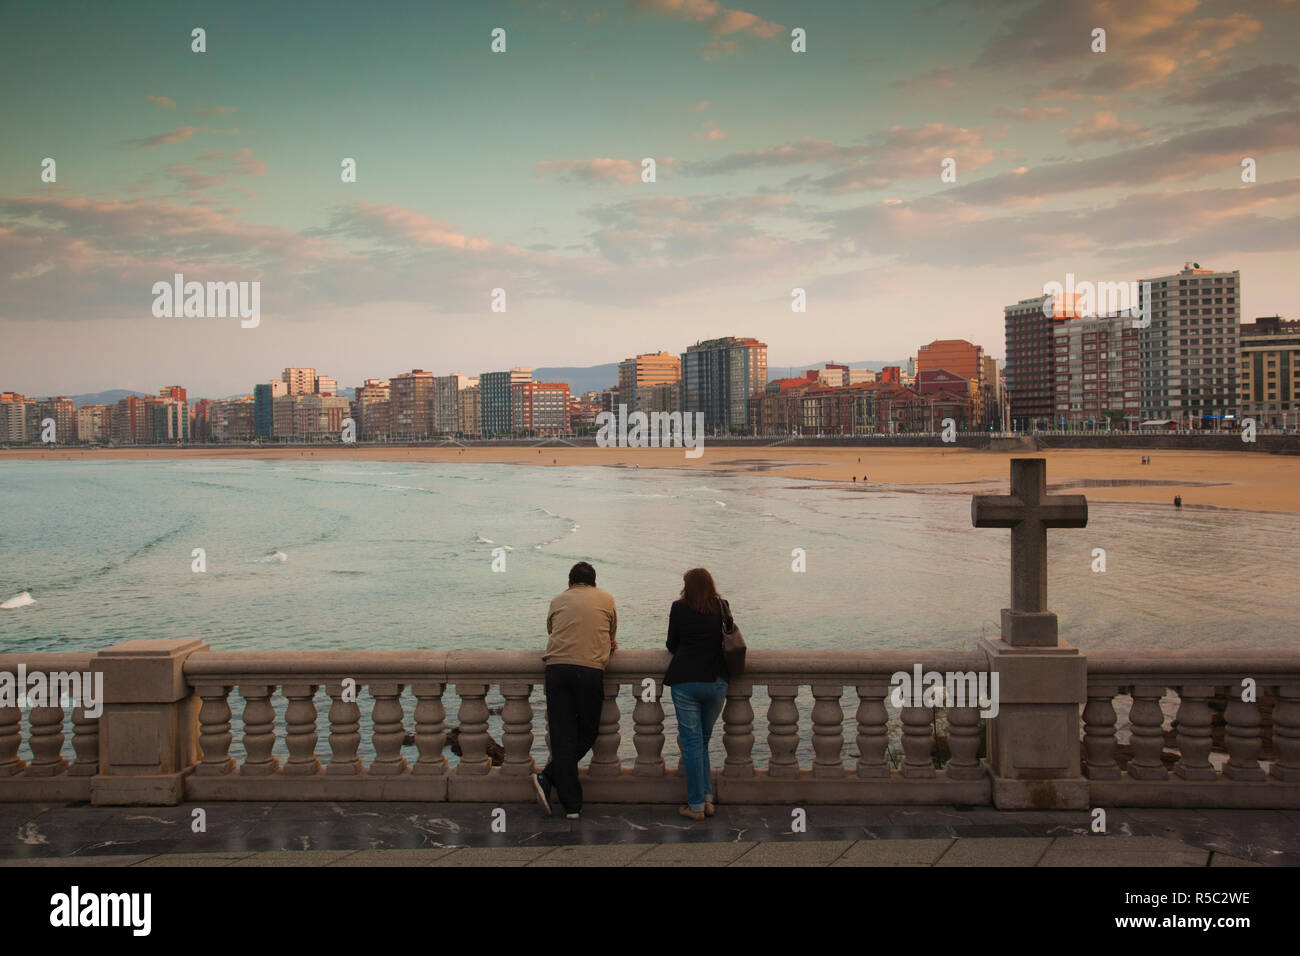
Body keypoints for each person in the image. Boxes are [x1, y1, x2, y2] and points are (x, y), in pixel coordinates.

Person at [532, 561, 617, 820]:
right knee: (589, 730)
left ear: (569, 584)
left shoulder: (558, 600)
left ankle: (570, 805)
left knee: (562, 734)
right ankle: (551, 781)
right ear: (595, 583)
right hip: (590, 670)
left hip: (557, 668)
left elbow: (551, 629)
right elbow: (612, 634)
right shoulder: (607, 599)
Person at [664, 567, 730, 821]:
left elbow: (671, 644)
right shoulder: (722, 606)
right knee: (702, 741)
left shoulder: (679, 608)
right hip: (716, 681)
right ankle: (707, 800)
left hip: (686, 681)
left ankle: (696, 806)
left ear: (686, 586)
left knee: (692, 744)